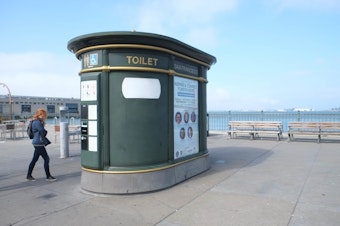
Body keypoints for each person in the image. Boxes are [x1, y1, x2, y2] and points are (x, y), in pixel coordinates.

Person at [26, 108, 56, 182]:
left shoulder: (35, 121)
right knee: (46, 159)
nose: (44, 116)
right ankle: (48, 176)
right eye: (43, 115)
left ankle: (28, 175)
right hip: (38, 143)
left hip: (37, 143)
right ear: (39, 115)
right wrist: (45, 131)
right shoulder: (37, 122)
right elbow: (43, 132)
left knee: (34, 160)